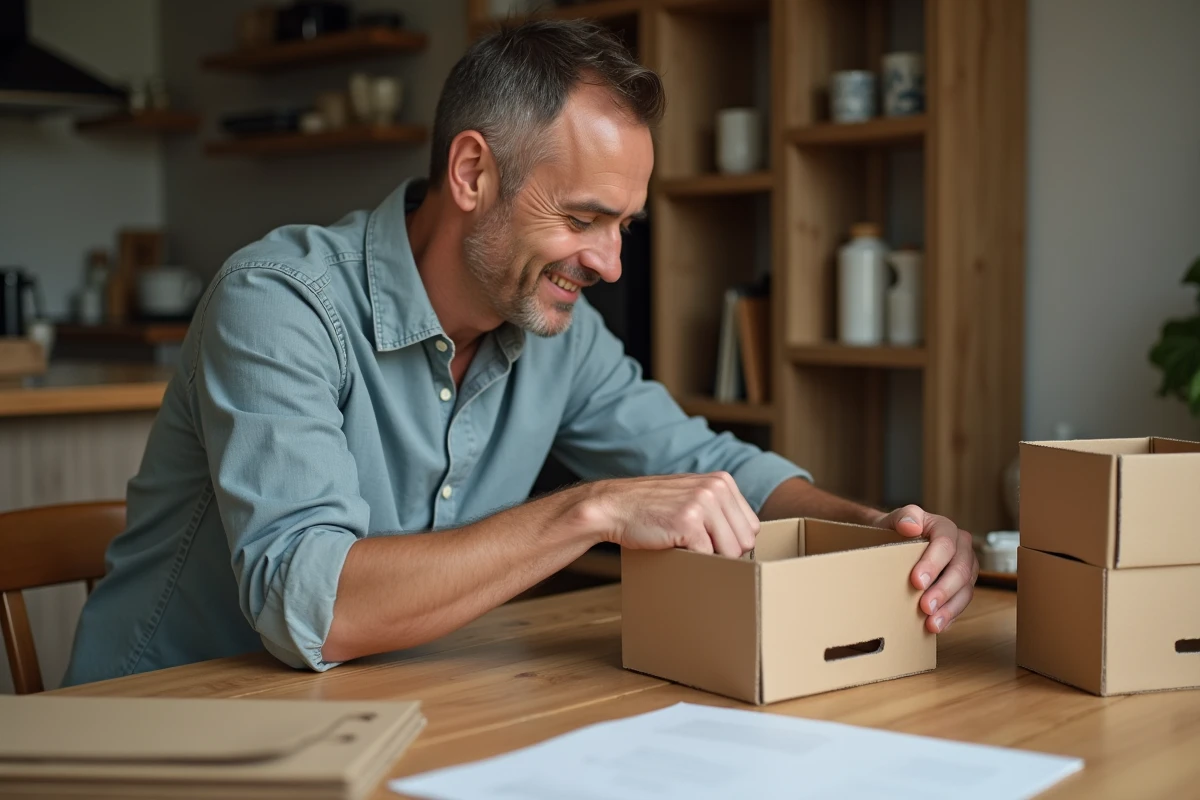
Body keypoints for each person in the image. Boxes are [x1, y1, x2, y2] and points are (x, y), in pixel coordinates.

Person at [63, 19, 977, 686]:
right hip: (157, 731)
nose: (611, 263)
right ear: (472, 174)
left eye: (623, 225)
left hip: (384, 708)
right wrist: (592, 511)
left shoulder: (555, 330)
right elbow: (316, 607)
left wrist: (885, 528)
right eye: (583, 218)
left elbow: (711, 465)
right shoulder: (278, 302)